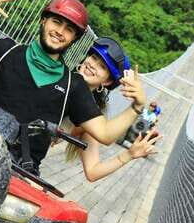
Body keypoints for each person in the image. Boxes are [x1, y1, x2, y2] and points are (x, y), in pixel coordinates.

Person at [0, 0, 147, 175]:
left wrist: (137, 106)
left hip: (15, 172)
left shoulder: (73, 87)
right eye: (56, 22)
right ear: (43, 20)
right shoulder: (5, 51)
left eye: (69, 29)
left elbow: (104, 133)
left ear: (74, 39)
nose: (60, 31)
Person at [64, 37, 161, 182]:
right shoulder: (58, 75)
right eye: (94, 57)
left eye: (102, 66)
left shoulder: (91, 121)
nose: (92, 65)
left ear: (108, 81)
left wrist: (129, 154)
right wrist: (137, 106)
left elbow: (92, 172)